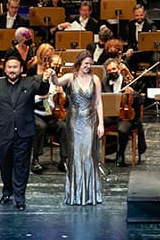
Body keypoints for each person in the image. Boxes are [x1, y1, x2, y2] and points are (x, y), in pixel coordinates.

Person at [0, 51, 53, 210]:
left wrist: (44, 79)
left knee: (21, 166)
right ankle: (7, 189)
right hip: (4, 132)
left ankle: (20, 196)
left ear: (21, 68)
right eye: (9, 67)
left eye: (15, 67)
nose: (12, 70)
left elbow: (42, 91)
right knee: (5, 164)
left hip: (24, 131)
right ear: (4, 69)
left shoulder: (29, 82)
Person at [50, 49, 104, 205]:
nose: (88, 66)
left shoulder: (95, 79)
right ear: (79, 63)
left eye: (90, 63)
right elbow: (56, 82)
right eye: (86, 63)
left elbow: (98, 102)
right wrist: (53, 74)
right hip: (74, 122)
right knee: (75, 155)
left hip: (90, 120)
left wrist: (101, 123)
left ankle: (89, 194)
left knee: (88, 155)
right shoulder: (70, 77)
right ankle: (75, 194)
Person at [102, 58, 147, 167]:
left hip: (126, 115)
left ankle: (120, 154)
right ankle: (97, 153)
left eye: (114, 69)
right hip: (111, 115)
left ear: (118, 68)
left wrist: (133, 93)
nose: (112, 71)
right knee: (94, 123)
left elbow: (141, 100)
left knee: (123, 129)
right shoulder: (104, 81)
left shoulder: (129, 81)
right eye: (109, 70)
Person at [31, 54, 68, 174]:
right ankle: (35, 159)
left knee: (63, 127)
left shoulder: (61, 82)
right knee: (41, 126)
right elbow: (28, 98)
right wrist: (40, 97)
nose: (56, 68)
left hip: (52, 114)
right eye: (54, 65)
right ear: (48, 65)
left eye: (59, 65)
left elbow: (67, 103)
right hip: (37, 113)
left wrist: (63, 95)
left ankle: (64, 160)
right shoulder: (37, 79)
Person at [123, 3, 157, 70]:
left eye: (141, 15)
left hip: (148, 52)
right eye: (137, 16)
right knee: (127, 60)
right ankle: (133, 78)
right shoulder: (131, 24)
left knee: (155, 60)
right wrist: (130, 49)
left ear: (145, 13)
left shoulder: (151, 24)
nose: (139, 18)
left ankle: (150, 80)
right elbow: (130, 40)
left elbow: (153, 40)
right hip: (136, 52)